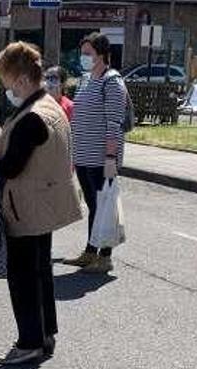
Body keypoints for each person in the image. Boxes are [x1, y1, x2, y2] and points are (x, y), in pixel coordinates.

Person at [0, 42, 83, 366]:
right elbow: (32, 154)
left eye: (6, 82)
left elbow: (14, 166)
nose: (6, 88)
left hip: (26, 207)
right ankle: (44, 337)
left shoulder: (32, 115)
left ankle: (30, 341)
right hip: (41, 205)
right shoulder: (49, 104)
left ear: (20, 79)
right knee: (40, 271)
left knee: (23, 276)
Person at [64, 33, 129, 274]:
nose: (83, 58)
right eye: (82, 53)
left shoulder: (112, 82)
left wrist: (111, 158)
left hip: (102, 158)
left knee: (105, 207)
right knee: (94, 206)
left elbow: (114, 123)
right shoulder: (85, 80)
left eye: (88, 54)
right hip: (84, 156)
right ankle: (90, 251)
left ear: (102, 55)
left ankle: (105, 256)